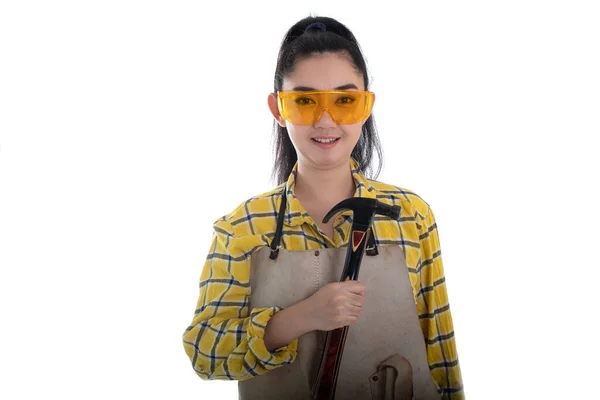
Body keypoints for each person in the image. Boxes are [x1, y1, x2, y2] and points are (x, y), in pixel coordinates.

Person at [182, 15, 465, 399]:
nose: (326, 119)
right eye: (305, 101)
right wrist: (299, 318)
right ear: (278, 109)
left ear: (366, 107)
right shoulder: (242, 228)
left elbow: (441, 355)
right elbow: (203, 352)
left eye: (345, 100)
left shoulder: (412, 216)